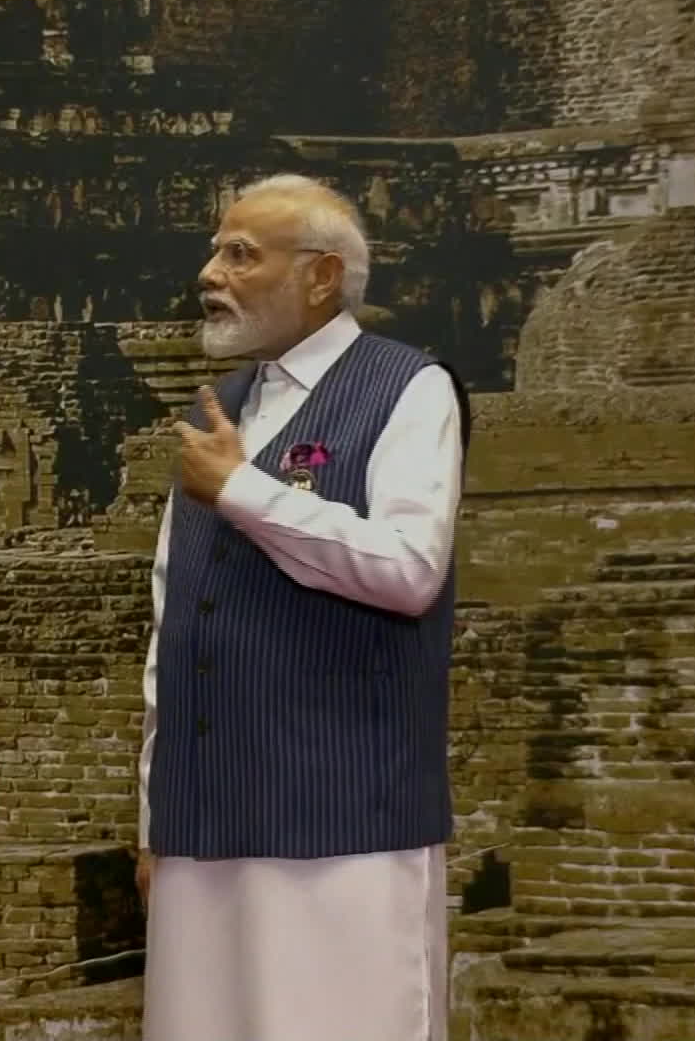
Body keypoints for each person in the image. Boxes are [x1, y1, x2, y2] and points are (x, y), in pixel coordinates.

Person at [134, 173, 472, 1040]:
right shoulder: (219, 411)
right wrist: (152, 817)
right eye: (216, 250)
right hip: (203, 828)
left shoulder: (409, 388)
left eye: (241, 254)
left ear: (321, 276)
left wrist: (244, 491)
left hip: (344, 827)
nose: (210, 273)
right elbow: (176, 624)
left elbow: (409, 569)